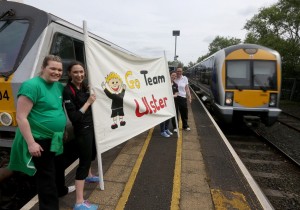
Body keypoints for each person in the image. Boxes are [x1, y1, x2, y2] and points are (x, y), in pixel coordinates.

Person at [7, 55, 67, 210]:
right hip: (40, 140)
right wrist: (31, 143)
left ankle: (61, 191)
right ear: (43, 68)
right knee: (46, 178)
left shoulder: (58, 86)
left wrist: (63, 129)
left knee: (58, 169)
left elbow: (58, 109)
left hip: (56, 138)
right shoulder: (31, 86)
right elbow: (21, 117)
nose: (57, 72)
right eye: (52, 68)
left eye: (59, 69)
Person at [63, 61, 99, 210]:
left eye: (81, 72)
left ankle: (90, 175)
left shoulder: (84, 86)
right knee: (83, 163)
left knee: (91, 154)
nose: (79, 75)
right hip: (82, 130)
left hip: (91, 126)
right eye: (76, 72)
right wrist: (88, 102)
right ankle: (79, 202)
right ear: (70, 73)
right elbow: (75, 118)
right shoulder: (67, 91)